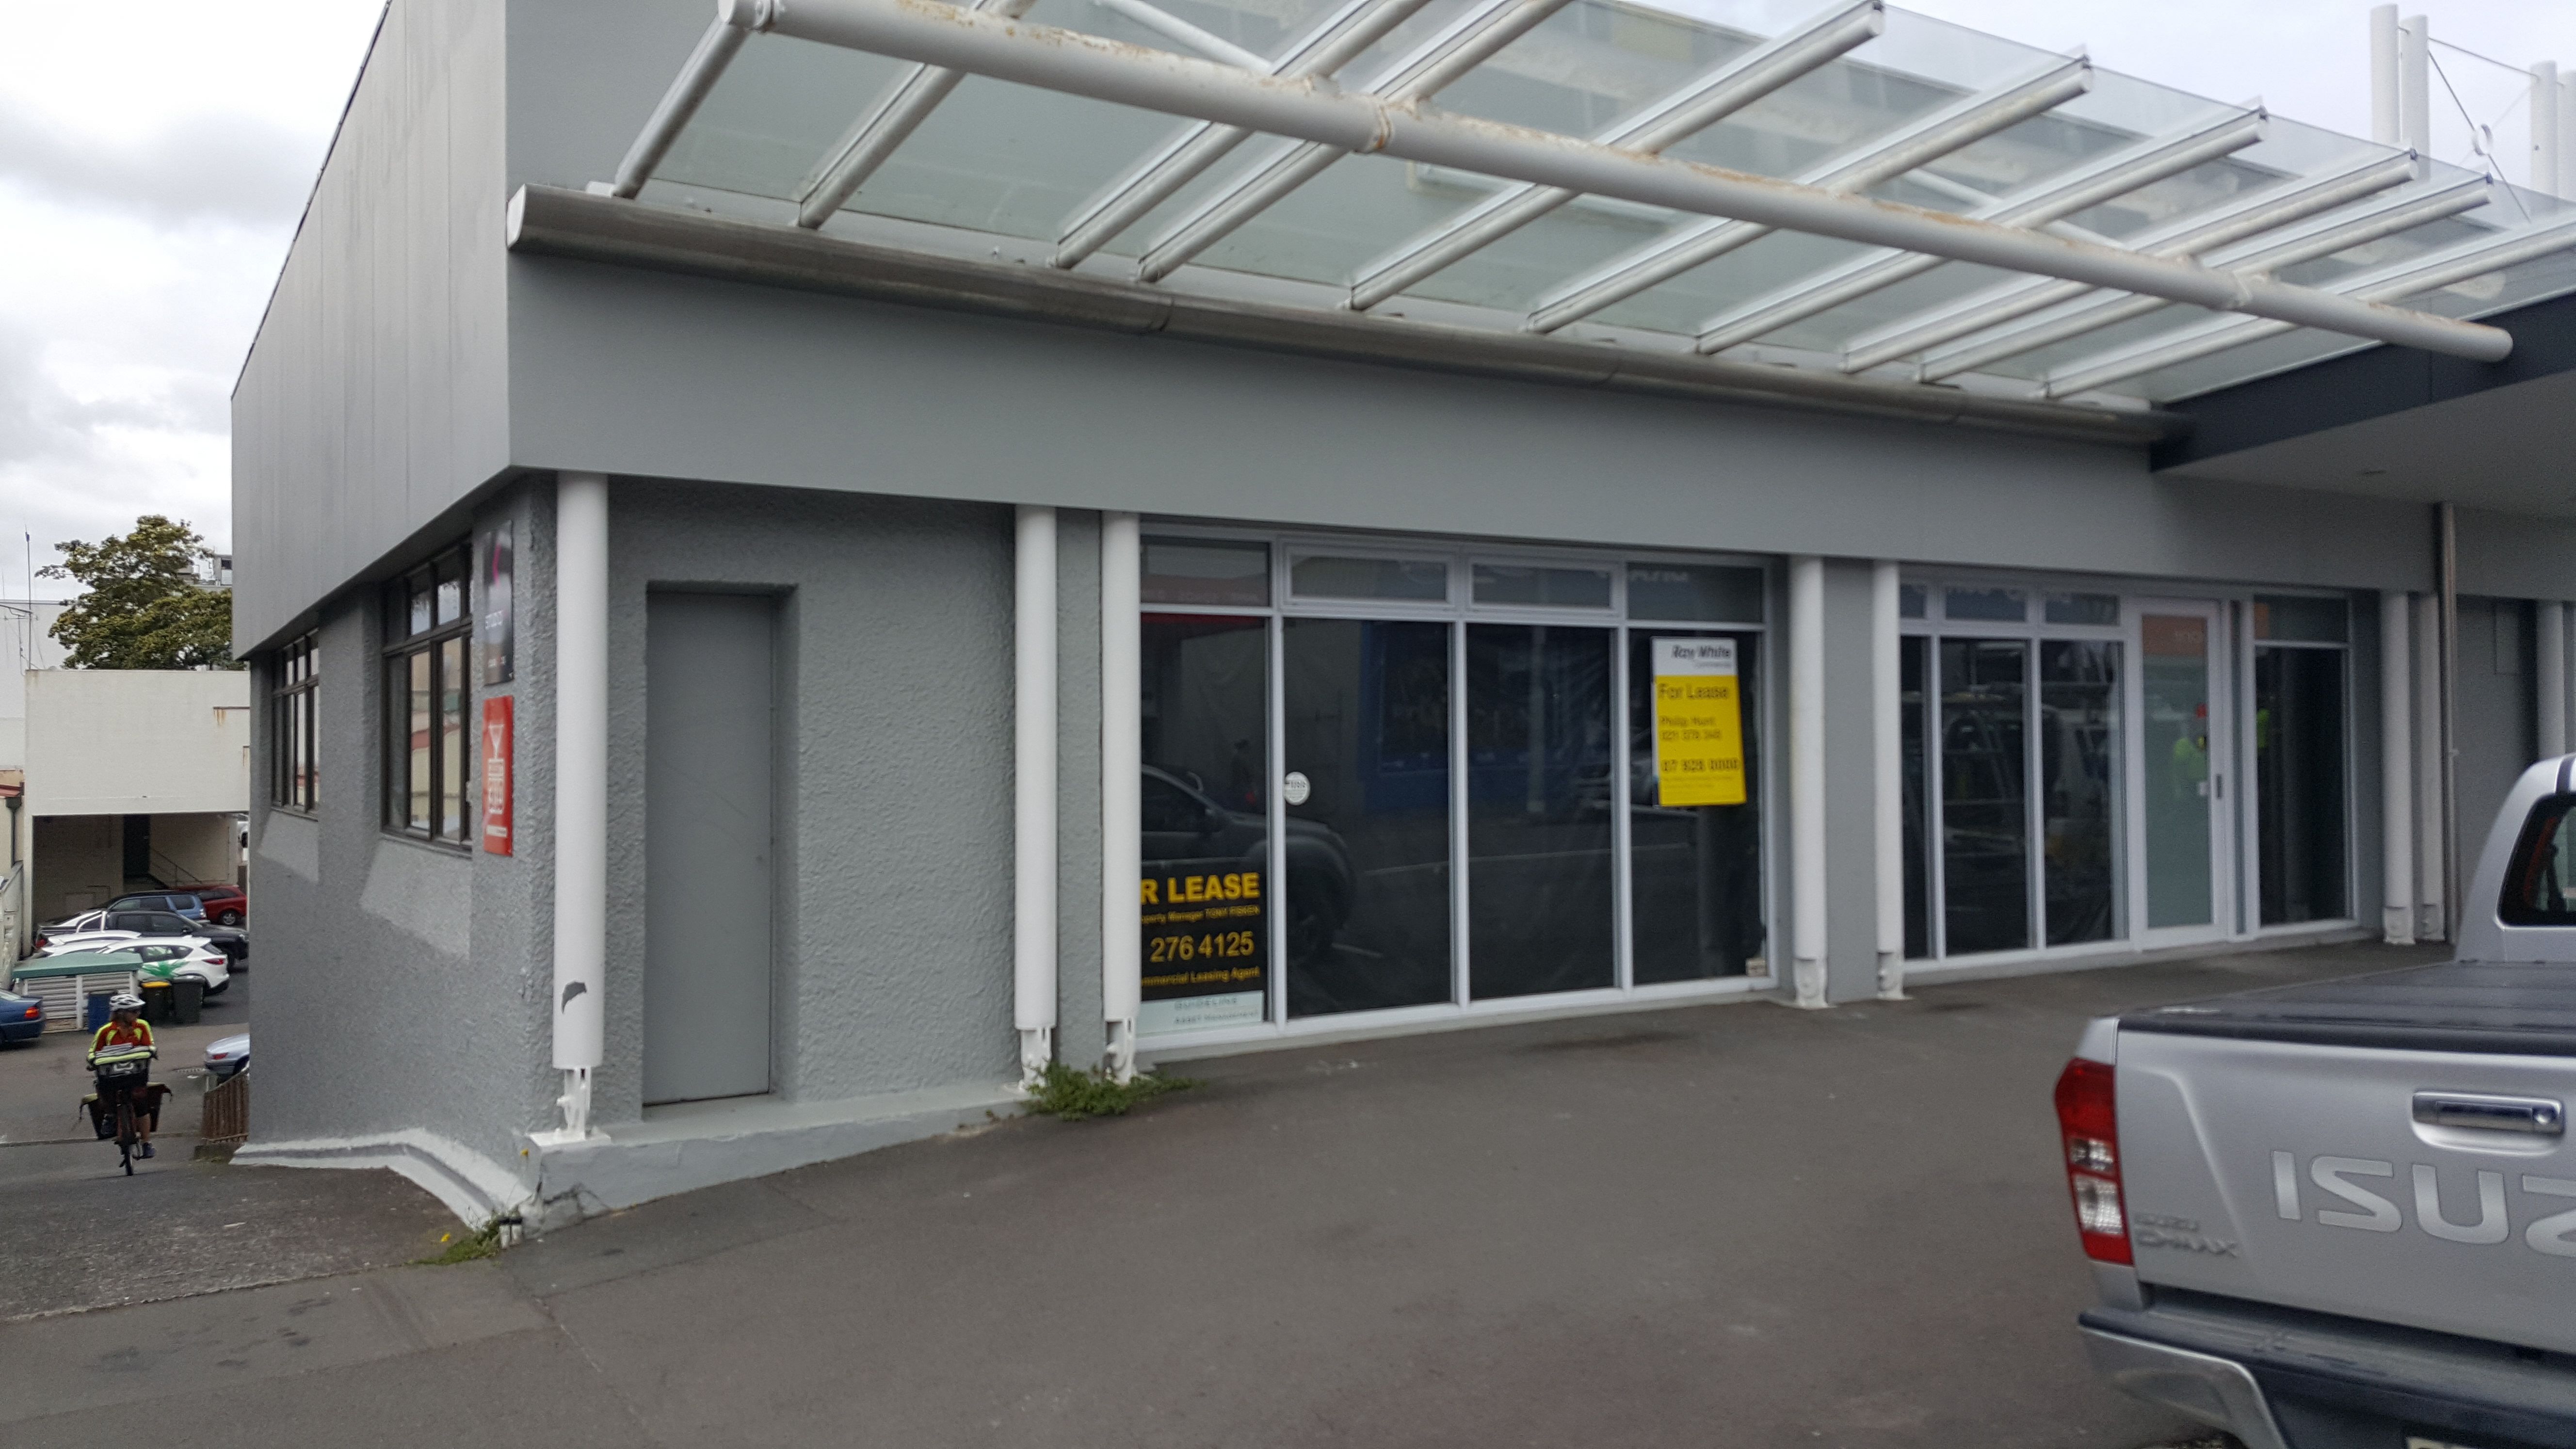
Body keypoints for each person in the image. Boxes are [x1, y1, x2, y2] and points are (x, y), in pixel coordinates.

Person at [88, 995, 158, 1158]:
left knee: (142, 1105)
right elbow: (93, 1051)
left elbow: (150, 1045)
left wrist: (152, 1052)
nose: (138, 1014)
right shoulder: (105, 1031)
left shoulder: (142, 1026)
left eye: (138, 1010)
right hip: (112, 1077)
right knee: (103, 1090)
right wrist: (92, 1060)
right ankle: (110, 1116)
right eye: (133, 1011)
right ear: (120, 1013)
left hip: (136, 1074)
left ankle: (147, 1143)